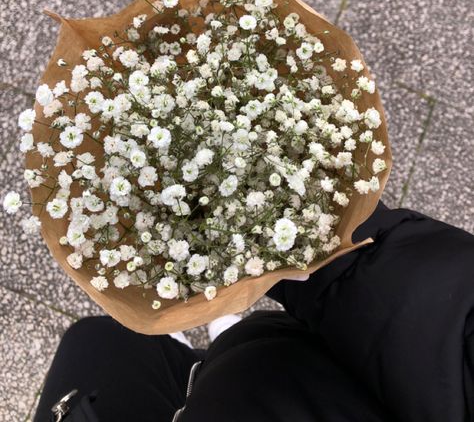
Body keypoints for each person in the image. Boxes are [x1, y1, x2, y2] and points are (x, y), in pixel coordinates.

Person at [34, 199, 474, 421]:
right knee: (207, 353)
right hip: (266, 373)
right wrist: (331, 253)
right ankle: (216, 340)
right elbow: (450, 335)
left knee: (96, 338)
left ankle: (189, 340)